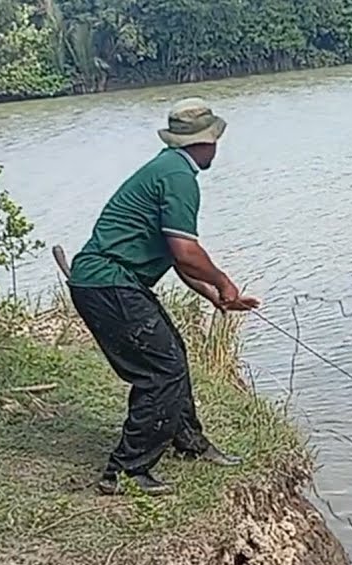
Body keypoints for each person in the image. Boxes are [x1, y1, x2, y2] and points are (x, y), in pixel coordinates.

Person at [65, 98, 260, 496]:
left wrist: (212, 295)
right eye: (215, 140)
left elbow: (177, 260)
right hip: (109, 282)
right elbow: (187, 252)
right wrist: (224, 282)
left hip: (111, 281)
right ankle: (123, 469)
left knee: (172, 354)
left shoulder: (167, 167)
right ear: (206, 143)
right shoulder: (179, 176)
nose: (216, 148)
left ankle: (188, 441)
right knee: (161, 370)